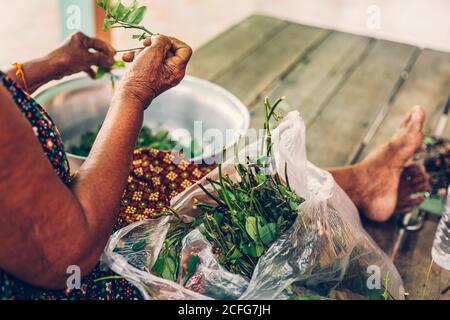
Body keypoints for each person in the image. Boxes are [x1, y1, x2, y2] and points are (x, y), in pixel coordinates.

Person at [0, 32, 429, 300]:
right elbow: (67, 257)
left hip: (53, 221)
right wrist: (134, 93)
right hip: (68, 276)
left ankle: (364, 183)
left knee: (199, 179)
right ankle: (365, 184)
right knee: (214, 224)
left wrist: (50, 65)